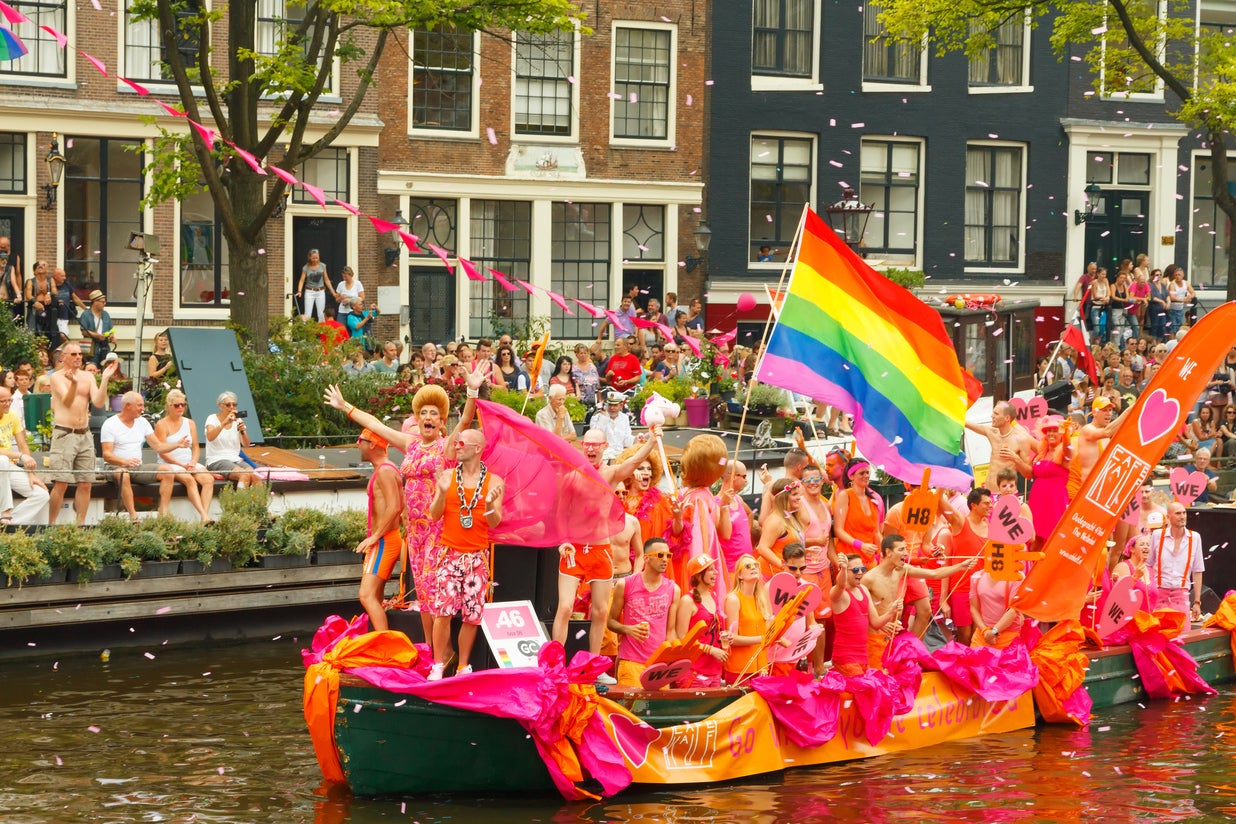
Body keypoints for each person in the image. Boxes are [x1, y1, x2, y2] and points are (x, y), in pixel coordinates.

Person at [426, 426, 505, 680]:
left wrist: (491, 504)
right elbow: (434, 514)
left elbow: (495, 523)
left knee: (472, 616)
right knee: (443, 612)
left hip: (477, 558)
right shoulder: (448, 476)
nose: (457, 447)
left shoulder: (494, 481)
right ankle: (438, 664)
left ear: (478, 449)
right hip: (449, 553)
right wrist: (440, 491)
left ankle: (463, 666)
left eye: (462, 443)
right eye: (457, 443)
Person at [864, 534, 974, 661]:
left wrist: (961, 566)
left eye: (905, 548)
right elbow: (858, 610)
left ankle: (913, 653)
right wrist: (880, 624)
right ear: (888, 552)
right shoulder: (869, 579)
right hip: (874, 639)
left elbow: (934, 574)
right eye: (901, 550)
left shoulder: (901, 569)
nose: (906, 553)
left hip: (891, 637)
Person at [46, 344, 116, 525]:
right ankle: (51, 525)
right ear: (63, 357)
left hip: (84, 434)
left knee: (86, 483)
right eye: (74, 354)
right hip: (64, 433)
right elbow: (68, 402)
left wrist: (105, 379)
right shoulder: (56, 377)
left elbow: (99, 402)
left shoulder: (88, 376)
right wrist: (74, 383)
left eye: (80, 354)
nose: (78, 357)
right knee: (61, 483)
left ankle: (80, 527)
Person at [609, 537, 681, 687]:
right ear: (646, 558)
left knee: (657, 711)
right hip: (631, 661)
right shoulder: (625, 584)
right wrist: (628, 629)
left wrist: (671, 660)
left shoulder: (673, 589)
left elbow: (671, 631)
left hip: (659, 666)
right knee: (631, 710)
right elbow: (610, 622)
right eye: (660, 555)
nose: (665, 559)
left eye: (668, 555)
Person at [353, 428, 404, 633]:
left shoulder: (384, 470)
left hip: (384, 540)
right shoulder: (384, 469)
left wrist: (374, 536)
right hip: (384, 539)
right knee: (375, 597)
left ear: (372, 444)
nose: (358, 444)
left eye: (361, 440)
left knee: (366, 595)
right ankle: (380, 639)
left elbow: (395, 507)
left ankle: (383, 644)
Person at [100, 392, 178, 522]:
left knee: (168, 471)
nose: (143, 408)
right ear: (128, 406)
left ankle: (163, 514)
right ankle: (133, 516)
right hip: (115, 467)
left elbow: (158, 446)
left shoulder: (143, 422)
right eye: (140, 405)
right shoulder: (110, 424)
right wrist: (125, 461)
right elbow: (107, 455)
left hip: (137, 467)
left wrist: (178, 444)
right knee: (123, 474)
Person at [829, 553, 902, 676]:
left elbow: (876, 623)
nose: (860, 573)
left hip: (863, 657)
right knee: (862, 690)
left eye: (862, 569)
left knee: (867, 692)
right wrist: (843, 568)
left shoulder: (863, 589)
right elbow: (841, 584)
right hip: (846, 658)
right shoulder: (839, 593)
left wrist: (892, 611)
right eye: (855, 570)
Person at [151, 389, 214, 521]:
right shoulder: (161, 424)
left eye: (183, 404)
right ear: (169, 406)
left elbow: (196, 447)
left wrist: (193, 461)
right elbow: (161, 451)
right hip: (170, 463)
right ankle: (204, 516)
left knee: (208, 480)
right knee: (189, 480)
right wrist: (182, 465)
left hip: (188, 461)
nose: (180, 407)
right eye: (176, 405)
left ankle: (205, 515)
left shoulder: (190, 423)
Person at [940, 487, 991, 646]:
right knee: (965, 635)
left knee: (979, 634)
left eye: (991, 503)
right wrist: (942, 483)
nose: (990, 506)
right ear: (974, 505)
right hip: (961, 588)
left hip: (983, 589)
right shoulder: (961, 522)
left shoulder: (990, 525)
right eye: (986, 503)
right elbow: (939, 502)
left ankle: (975, 667)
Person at [675, 553, 729, 687]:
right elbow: (682, 638)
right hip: (694, 671)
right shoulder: (687, 600)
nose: (716, 572)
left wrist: (726, 636)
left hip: (715, 670)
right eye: (710, 569)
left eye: (714, 568)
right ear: (699, 576)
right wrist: (709, 649)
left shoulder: (714, 595)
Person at [0, 384, 50, 525]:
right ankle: (5, 511)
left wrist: (31, 474)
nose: (7, 404)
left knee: (42, 495)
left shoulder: (12, 415)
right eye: (3, 401)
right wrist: (21, 456)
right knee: (2, 460)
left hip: (7, 467)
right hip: (2, 463)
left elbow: (23, 445)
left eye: (9, 400)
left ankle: (9, 523)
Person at [1148, 502, 1204, 621]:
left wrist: (1197, 602)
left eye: (1184, 512)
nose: (1182, 516)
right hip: (1159, 593)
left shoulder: (1195, 537)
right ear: (1168, 517)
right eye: (1178, 513)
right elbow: (1148, 565)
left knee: (1182, 636)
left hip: (1181, 595)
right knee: (1158, 636)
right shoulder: (1157, 535)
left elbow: (1198, 570)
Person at [1068, 396, 1131, 500]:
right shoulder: (1088, 429)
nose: (1108, 413)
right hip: (1079, 492)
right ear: (1094, 412)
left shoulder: (1106, 438)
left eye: (1110, 410)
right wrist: (1129, 411)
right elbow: (1107, 432)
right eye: (1104, 410)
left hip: (1096, 493)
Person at [722, 553, 771, 685]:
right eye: (748, 566)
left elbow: (768, 630)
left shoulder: (761, 598)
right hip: (740, 669)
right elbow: (732, 639)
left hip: (761, 667)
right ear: (739, 575)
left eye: (756, 565)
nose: (753, 568)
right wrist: (762, 639)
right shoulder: (733, 599)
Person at [966, 401, 1035, 494]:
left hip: (1006, 494)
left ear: (1007, 418)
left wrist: (1015, 458)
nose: (992, 416)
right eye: (993, 412)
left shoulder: (1021, 440)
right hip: (988, 493)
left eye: (996, 414)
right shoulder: (992, 432)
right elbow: (966, 423)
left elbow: (1029, 474)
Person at [1023, 415, 1070, 547]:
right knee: (1033, 538)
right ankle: (1031, 567)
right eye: (1048, 430)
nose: (1051, 433)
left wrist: (1066, 435)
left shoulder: (1065, 453)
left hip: (1055, 502)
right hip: (1037, 501)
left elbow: (1068, 450)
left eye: (1055, 430)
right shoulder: (1041, 453)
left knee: (1052, 541)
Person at [832, 458, 884, 568]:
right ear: (851, 476)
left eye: (867, 472)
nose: (866, 476)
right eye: (861, 473)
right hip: (850, 560)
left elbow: (876, 533)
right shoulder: (845, 496)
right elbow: (838, 530)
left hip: (870, 560)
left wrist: (883, 552)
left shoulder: (873, 499)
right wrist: (860, 545)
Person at [205, 391, 260, 489]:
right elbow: (210, 436)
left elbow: (247, 444)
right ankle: (240, 503)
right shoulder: (212, 418)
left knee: (256, 475)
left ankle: (260, 502)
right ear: (220, 406)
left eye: (234, 404)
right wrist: (224, 423)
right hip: (217, 459)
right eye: (228, 404)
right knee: (244, 475)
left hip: (234, 458)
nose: (232, 407)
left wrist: (243, 432)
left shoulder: (238, 420)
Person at [968, 568, 1023, 649]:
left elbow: (1013, 610)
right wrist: (985, 631)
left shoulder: (1018, 577)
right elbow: (973, 608)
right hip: (982, 635)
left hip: (1009, 637)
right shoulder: (977, 576)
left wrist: (994, 631)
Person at [716, 461, 754, 572]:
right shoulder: (716, 503)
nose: (746, 480)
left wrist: (747, 536)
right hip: (730, 568)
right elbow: (724, 535)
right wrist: (724, 506)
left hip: (746, 564)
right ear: (733, 476)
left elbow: (750, 513)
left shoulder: (738, 499)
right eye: (744, 476)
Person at [588, 391, 635, 459]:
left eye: (615, 405)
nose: (612, 408)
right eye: (610, 405)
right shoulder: (597, 417)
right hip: (603, 455)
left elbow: (626, 440)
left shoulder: (624, 418)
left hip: (619, 454)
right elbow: (595, 437)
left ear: (621, 406)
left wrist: (636, 439)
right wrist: (604, 418)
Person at [296, 248, 336, 322]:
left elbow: (326, 279)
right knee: (307, 314)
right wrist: (299, 291)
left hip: (320, 291)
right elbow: (301, 280)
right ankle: (306, 331)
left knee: (321, 314)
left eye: (317, 258)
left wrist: (333, 292)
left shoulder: (323, 266)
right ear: (310, 257)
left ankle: (321, 332)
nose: (315, 260)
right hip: (309, 291)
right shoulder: (305, 267)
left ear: (319, 257)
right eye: (313, 258)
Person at [51, 267, 86, 346]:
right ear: (55, 276)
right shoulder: (49, 285)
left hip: (63, 316)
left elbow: (75, 298)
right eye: (62, 276)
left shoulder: (66, 284)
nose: (65, 278)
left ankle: (66, 352)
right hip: (52, 316)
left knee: (63, 336)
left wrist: (85, 309)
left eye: (65, 276)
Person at [78, 290, 114, 367]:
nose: (104, 304)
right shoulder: (86, 315)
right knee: (92, 368)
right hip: (92, 348)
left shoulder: (105, 314)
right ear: (95, 302)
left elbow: (111, 329)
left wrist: (112, 336)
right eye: (102, 302)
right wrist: (98, 336)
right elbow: (84, 331)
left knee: (105, 367)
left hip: (105, 347)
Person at [0, 236, 22, 326]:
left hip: (7, 300)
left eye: (6, 259)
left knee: (9, 324)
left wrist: (19, 295)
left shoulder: (10, 268)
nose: (4, 261)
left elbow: (14, 282)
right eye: (2, 259)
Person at [335, 266, 365, 330]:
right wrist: (341, 298)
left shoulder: (357, 284)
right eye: (343, 276)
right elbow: (337, 300)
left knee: (352, 330)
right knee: (341, 331)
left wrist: (350, 300)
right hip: (342, 312)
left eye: (345, 276)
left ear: (351, 275)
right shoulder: (341, 284)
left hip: (353, 312)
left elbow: (362, 298)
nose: (344, 278)